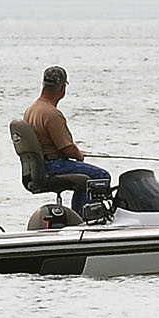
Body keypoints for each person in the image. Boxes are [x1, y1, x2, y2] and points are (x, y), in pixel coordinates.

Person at [23, 66, 110, 214]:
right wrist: (79, 155)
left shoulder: (31, 110)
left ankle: (78, 215)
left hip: (40, 166)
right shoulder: (52, 114)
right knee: (101, 176)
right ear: (62, 88)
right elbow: (67, 149)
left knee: (85, 179)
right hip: (54, 165)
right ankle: (85, 218)